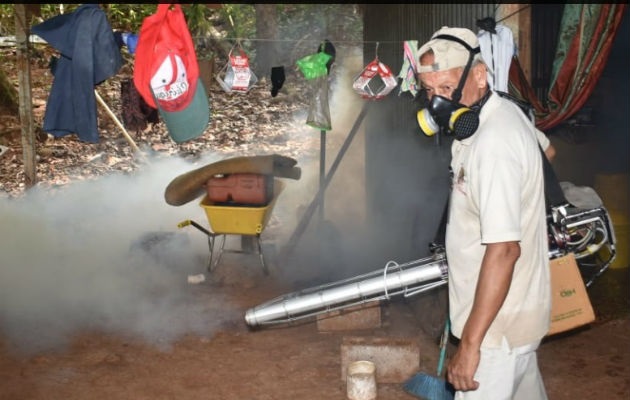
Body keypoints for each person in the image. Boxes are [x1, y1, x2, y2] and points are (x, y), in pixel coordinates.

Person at [416, 27, 551, 399]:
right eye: (429, 91)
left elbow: (505, 249)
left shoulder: (493, 143)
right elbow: (546, 153)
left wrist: (471, 344)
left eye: (445, 89)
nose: (436, 103)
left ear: (479, 75)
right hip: (515, 320)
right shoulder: (498, 117)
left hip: (495, 333)